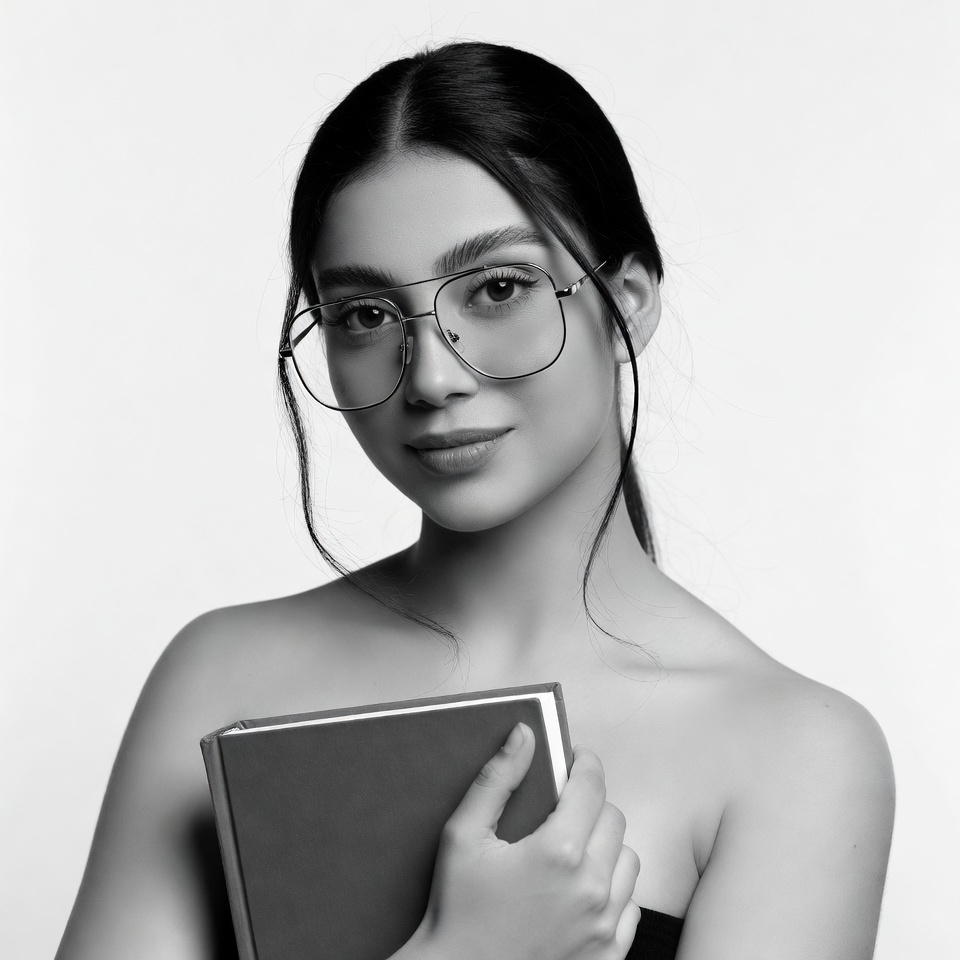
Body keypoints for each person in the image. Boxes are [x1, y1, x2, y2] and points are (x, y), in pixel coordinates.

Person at [55, 41, 895, 960]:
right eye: (366, 315)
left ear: (629, 302)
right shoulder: (221, 678)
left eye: (499, 288)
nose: (434, 375)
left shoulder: (794, 756)